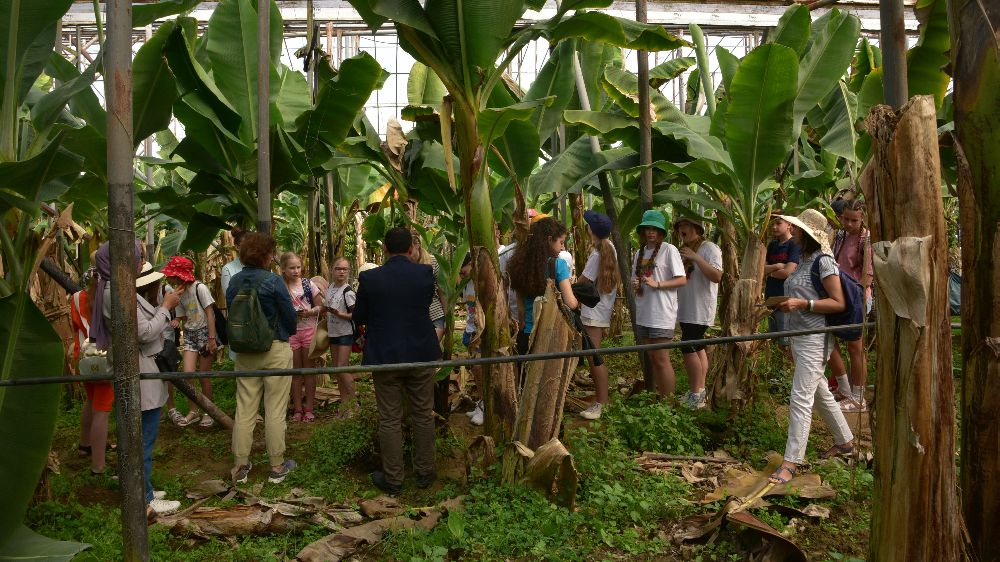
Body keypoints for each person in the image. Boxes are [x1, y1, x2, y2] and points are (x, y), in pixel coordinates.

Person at [90, 241, 184, 516]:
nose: (139, 262)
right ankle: (143, 499)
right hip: (140, 369)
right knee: (143, 437)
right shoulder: (117, 291)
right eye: (135, 257)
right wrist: (166, 307)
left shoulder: (113, 288)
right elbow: (143, 333)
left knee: (140, 435)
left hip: (140, 367)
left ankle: (143, 488)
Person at [353, 227, 442, 495]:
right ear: (411, 249)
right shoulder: (424, 274)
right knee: (423, 414)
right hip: (420, 353)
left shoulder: (369, 278)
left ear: (385, 250)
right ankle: (425, 472)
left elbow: (360, 316)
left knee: (389, 418)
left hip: (385, 356)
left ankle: (394, 479)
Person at [769, 209, 855, 484]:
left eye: (798, 229)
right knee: (819, 393)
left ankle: (791, 462)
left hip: (815, 337)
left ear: (809, 234)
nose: (792, 231)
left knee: (800, 398)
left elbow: (838, 302)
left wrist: (802, 304)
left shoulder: (823, 261)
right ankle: (846, 443)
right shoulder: (803, 259)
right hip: (797, 334)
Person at [226, 232, 299, 485]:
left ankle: (241, 466)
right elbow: (290, 317)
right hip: (275, 348)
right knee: (275, 410)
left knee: (244, 409)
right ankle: (277, 467)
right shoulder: (273, 281)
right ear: (267, 255)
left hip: (245, 352)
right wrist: (287, 332)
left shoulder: (234, 282)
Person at [631, 210, 687, 399]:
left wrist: (658, 284)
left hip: (662, 313)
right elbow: (636, 279)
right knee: (654, 359)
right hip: (644, 312)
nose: (651, 232)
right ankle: (660, 399)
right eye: (648, 228)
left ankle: (668, 403)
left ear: (661, 232)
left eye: (655, 229)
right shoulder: (639, 253)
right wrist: (636, 283)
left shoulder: (669, 250)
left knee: (662, 359)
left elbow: (681, 280)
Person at [508, 217, 580, 358]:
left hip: (527, 333)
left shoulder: (520, 265)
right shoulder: (558, 265)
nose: (562, 247)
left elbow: (521, 310)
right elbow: (571, 303)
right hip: (551, 333)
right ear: (549, 239)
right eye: (561, 242)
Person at [827, 199, 874, 412]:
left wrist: (859, 300)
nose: (848, 223)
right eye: (845, 218)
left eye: (854, 220)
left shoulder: (866, 239)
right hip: (838, 295)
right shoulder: (839, 235)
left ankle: (858, 397)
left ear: (863, 218)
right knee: (828, 340)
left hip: (856, 296)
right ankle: (844, 389)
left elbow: (867, 275)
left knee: (855, 347)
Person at [161, 256, 218, 428]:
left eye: (172, 275)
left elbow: (210, 314)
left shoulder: (199, 288)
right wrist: (177, 320)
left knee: (203, 375)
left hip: (205, 334)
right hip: (190, 335)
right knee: (188, 374)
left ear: (180, 275)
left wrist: (211, 338)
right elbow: (182, 314)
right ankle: (194, 411)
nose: (169, 278)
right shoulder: (178, 293)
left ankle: (208, 411)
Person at [70, 264, 116, 475]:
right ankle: (98, 465)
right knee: (102, 410)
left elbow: (76, 330)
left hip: (83, 359)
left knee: (91, 401)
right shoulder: (108, 299)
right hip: (103, 358)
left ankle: (85, 444)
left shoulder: (76, 298)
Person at [675, 215, 723, 410]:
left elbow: (717, 275)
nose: (681, 229)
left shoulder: (709, 248)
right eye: (679, 226)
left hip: (701, 307)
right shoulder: (683, 251)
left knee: (688, 347)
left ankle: (695, 394)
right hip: (687, 307)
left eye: (685, 225)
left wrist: (696, 258)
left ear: (697, 228)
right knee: (698, 347)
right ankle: (700, 391)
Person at [578, 211, 619, 420]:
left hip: (592, 311)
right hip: (601, 309)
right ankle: (599, 398)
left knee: (595, 357)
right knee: (594, 355)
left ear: (591, 231)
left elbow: (584, 280)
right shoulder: (609, 248)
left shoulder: (596, 254)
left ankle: (601, 403)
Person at [280, 252, 324, 423]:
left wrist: (310, 312)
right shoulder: (281, 286)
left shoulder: (308, 284)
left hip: (308, 331)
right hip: (290, 332)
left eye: (298, 267)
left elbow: (322, 306)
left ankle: (309, 408)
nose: (296, 271)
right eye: (292, 268)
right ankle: (297, 409)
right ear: (283, 269)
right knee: (295, 373)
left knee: (309, 371)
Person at [324, 256, 360, 418]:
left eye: (345, 269)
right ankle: (344, 405)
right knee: (337, 370)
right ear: (332, 270)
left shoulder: (348, 291)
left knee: (342, 367)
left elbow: (356, 315)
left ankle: (354, 404)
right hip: (333, 332)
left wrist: (340, 314)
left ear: (349, 272)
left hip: (345, 332)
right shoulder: (330, 287)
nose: (342, 272)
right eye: (339, 268)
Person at [763, 212, 801, 361]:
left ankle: (786, 375)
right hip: (771, 298)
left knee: (785, 342)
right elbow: (760, 269)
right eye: (773, 224)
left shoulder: (794, 245)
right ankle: (776, 376)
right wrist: (777, 266)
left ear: (789, 225)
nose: (774, 227)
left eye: (778, 223)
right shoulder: (772, 245)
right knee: (774, 339)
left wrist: (770, 271)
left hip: (786, 298)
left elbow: (788, 272)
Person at [459, 253, 485, 426]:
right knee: (476, 371)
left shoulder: (482, 282)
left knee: (480, 369)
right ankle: (481, 403)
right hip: (470, 331)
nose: (461, 276)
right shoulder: (466, 283)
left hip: (481, 332)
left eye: (463, 272)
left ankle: (485, 407)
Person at [409, 232, 448, 340]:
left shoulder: (433, 261)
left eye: (410, 251)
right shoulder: (406, 264)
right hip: (414, 317)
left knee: (431, 351)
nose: (408, 255)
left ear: (417, 245)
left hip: (435, 315)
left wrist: (447, 317)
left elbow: (442, 291)